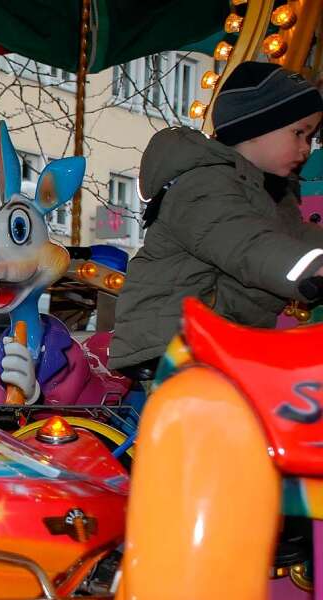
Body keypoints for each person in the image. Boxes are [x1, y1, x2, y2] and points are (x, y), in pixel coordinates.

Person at [110, 62, 323, 376]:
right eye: (299, 133)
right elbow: (247, 246)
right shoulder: (203, 186)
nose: (306, 148)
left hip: (220, 342)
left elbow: (297, 238)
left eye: (311, 137)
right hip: (174, 341)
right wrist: (310, 268)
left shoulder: (273, 196)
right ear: (256, 128)